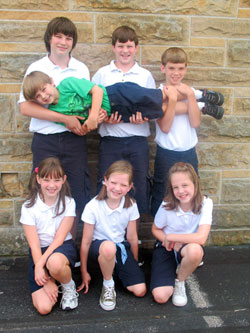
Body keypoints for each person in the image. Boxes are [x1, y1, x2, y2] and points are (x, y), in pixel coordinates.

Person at [18, 17, 91, 239]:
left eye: (68, 38)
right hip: (45, 141)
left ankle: (70, 252)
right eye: (58, 36)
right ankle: (43, 248)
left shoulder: (80, 68)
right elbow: (26, 107)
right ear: (49, 38)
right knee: (43, 194)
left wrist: (91, 117)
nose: (63, 42)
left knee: (75, 194)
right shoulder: (37, 68)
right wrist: (63, 118)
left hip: (74, 141)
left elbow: (85, 104)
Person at [150, 47, 222, 216]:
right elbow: (166, 127)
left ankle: (186, 235)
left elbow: (195, 122)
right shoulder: (158, 94)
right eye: (171, 68)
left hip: (189, 152)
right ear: (163, 68)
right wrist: (172, 100)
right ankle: (161, 240)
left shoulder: (189, 92)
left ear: (186, 69)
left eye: (181, 68)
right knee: (163, 194)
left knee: (189, 194)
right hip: (166, 153)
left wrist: (190, 96)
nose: (176, 73)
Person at [78, 160, 147, 311]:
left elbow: (132, 238)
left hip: (119, 249)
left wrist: (133, 264)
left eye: (123, 185)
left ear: (129, 187)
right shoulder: (93, 206)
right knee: (109, 248)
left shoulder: (131, 205)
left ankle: (114, 272)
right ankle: (108, 285)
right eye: (113, 182)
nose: (117, 188)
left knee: (140, 290)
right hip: (98, 250)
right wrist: (84, 271)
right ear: (105, 180)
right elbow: (86, 242)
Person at [20, 157, 79, 315]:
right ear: (38, 179)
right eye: (46, 180)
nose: (52, 185)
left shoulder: (69, 203)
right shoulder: (28, 207)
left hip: (61, 247)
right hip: (39, 251)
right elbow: (34, 245)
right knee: (44, 308)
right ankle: (54, 279)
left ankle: (68, 285)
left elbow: (59, 240)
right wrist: (45, 279)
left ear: (63, 180)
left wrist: (40, 267)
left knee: (55, 263)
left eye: (57, 180)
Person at [150, 162, 213, 307]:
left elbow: (201, 238)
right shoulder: (167, 204)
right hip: (166, 246)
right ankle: (176, 265)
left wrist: (172, 237)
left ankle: (180, 281)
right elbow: (155, 229)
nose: (181, 191)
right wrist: (169, 241)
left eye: (185, 185)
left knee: (196, 251)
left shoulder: (206, 203)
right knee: (160, 297)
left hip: (186, 246)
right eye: (176, 187)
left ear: (195, 184)